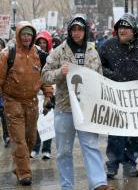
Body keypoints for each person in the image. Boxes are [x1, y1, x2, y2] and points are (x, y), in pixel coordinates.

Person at [41, 14, 115, 190]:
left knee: (90, 146)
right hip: (65, 108)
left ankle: (98, 184)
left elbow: (100, 78)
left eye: (79, 29)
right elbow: (44, 75)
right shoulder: (59, 51)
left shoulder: (92, 51)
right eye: (73, 30)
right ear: (69, 31)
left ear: (85, 31)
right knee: (64, 152)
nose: (76, 33)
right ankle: (67, 186)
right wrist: (60, 72)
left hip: (87, 110)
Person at [99, 13, 138, 179]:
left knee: (133, 133)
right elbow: (98, 67)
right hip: (115, 98)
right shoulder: (107, 46)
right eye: (120, 27)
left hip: (136, 99)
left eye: (126, 27)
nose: (122, 30)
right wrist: (113, 76)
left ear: (133, 30)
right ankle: (112, 165)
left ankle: (130, 164)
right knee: (116, 134)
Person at [0, 21, 54, 186]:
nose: (26, 37)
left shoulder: (39, 54)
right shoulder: (7, 54)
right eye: (23, 34)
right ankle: (24, 173)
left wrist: (48, 96)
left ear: (33, 36)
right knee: (19, 139)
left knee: (30, 138)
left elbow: (45, 77)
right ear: (18, 35)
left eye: (29, 34)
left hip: (31, 102)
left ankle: (19, 166)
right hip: (12, 101)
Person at [31, 30, 54, 159]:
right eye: (39, 42)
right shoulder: (33, 55)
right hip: (36, 93)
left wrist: (50, 93)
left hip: (48, 93)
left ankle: (47, 149)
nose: (42, 44)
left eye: (44, 42)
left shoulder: (52, 56)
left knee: (47, 122)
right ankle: (35, 147)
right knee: (35, 122)